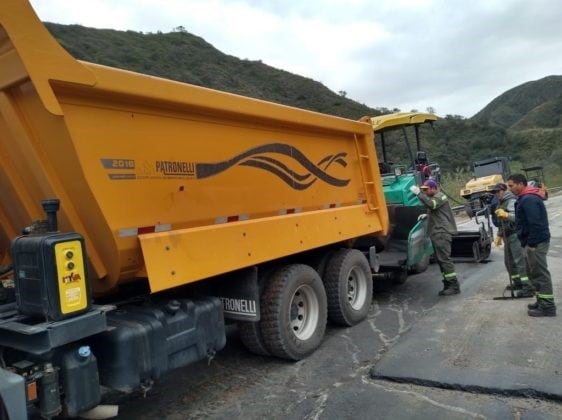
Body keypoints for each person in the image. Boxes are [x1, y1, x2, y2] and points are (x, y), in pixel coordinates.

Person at [506, 173, 556, 317]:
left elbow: (535, 224)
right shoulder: (525, 198)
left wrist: (532, 244)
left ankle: (548, 307)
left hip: (536, 243)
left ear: (521, 184)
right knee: (534, 274)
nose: (509, 189)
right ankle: (541, 301)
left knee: (540, 274)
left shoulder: (528, 199)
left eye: (511, 185)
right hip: (531, 242)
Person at [410, 179, 459, 295]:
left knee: (444, 260)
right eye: (423, 190)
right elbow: (436, 211)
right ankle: (448, 283)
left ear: (434, 188)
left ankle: (453, 285)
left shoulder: (440, 197)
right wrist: (427, 215)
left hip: (442, 232)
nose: (425, 192)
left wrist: (418, 194)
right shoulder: (434, 198)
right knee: (441, 260)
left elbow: (432, 205)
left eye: (426, 190)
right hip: (437, 233)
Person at [492, 182, 534, 297]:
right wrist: (499, 235)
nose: (497, 194)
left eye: (498, 191)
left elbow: (517, 218)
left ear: (505, 190)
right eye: (495, 192)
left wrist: (506, 215)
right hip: (507, 235)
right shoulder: (500, 203)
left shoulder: (511, 201)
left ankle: (528, 287)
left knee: (519, 262)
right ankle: (518, 282)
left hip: (515, 235)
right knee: (509, 262)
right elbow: (502, 223)